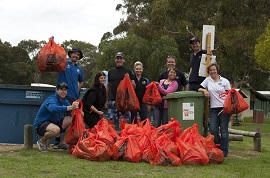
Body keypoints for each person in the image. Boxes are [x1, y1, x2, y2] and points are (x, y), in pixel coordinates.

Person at [50, 36, 85, 148]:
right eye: (74, 53)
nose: (76, 55)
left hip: (73, 98)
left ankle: (63, 142)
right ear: (70, 54)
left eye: (78, 54)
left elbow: (82, 81)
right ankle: (56, 141)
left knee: (72, 120)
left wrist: (76, 90)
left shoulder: (79, 69)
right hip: (61, 96)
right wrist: (51, 43)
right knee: (58, 117)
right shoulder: (63, 63)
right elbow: (52, 58)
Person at [33, 82, 79, 152]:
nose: (63, 92)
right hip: (41, 124)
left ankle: (63, 144)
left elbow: (71, 112)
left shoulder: (65, 101)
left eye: (65, 90)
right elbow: (53, 109)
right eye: (61, 89)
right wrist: (69, 107)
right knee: (56, 130)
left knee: (73, 120)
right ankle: (41, 141)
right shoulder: (51, 99)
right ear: (57, 90)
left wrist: (79, 112)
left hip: (54, 123)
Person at [198, 63, 231, 157]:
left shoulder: (224, 81)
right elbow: (198, 88)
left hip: (224, 108)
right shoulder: (208, 80)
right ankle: (218, 147)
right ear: (209, 72)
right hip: (213, 108)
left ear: (217, 70)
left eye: (214, 70)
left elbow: (230, 94)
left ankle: (224, 151)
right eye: (211, 70)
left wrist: (228, 106)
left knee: (224, 130)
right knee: (213, 129)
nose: (213, 71)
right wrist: (204, 91)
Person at [105, 52, 136, 127]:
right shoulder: (111, 72)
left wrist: (128, 79)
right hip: (113, 100)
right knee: (111, 123)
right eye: (117, 58)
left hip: (124, 101)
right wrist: (106, 101)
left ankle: (124, 138)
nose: (119, 60)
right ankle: (112, 137)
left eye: (121, 58)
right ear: (115, 60)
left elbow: (134, 86)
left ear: (124, 60)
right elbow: (108, 87)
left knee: (124, 124)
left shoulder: (128, 71)